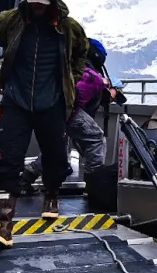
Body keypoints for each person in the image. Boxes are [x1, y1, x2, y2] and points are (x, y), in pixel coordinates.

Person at [0, 0, 89, 248]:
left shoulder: (69, 27)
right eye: (34, 1)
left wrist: (72, 80)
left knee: (55, 157)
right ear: (26, 0)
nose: (38, 7)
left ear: (51, 1)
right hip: (16, 100)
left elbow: (81, 53)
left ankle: (51, 194)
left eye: (43, 2)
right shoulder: (9, 21)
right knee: (8, 160)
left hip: (52, 102)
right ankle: (5, 227)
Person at [21, 38, 117, 189]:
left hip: (49, 109)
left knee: (59, 148)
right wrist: (106, 88)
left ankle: (29, 174)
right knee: (96, 138)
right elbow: (76, 99)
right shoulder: (91, 76)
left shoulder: (70, 66)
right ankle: (95, 182)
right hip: (65, 111)